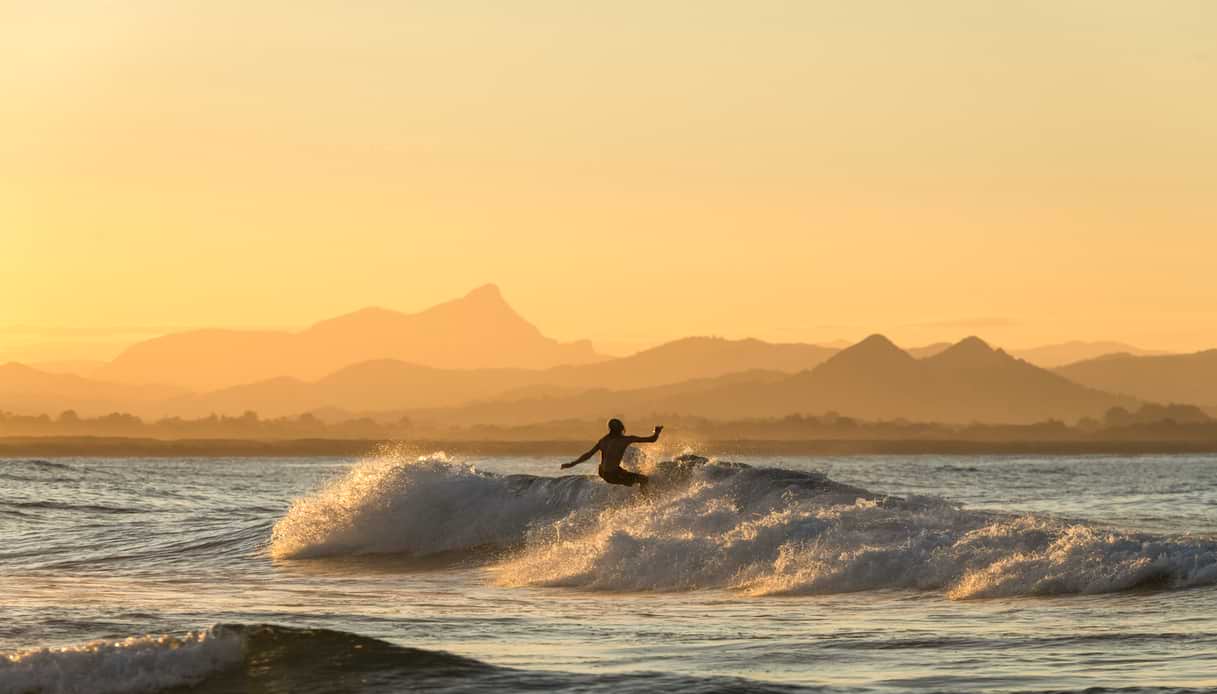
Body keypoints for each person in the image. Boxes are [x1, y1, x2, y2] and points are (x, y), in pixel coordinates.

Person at [560, 419, 662, 488]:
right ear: (621, 428)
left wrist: (571, 464)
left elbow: (588, 455)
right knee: (644, 479)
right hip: (612, 475)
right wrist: (657, 432)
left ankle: (634, 492)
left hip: (602, 472)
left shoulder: (603, 440)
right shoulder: (625, 440)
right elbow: (652, 439)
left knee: (627, 474)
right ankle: (645, 503)